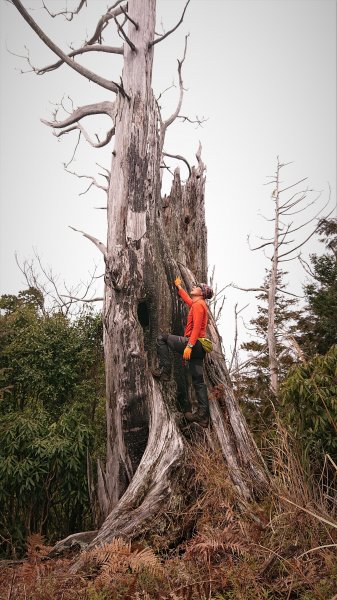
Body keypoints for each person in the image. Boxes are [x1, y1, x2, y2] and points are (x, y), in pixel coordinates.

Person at [153, 277, 213, 428]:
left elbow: (197, 326)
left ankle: (165, 371)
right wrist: (179, 287)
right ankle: (203, 417)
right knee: (199, 382)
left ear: (202, 293)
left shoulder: (199, 305)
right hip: (200, 350)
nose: (193, 286)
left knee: (162, 338)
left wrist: (189, 346)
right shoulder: (198, 304)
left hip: (194, 344)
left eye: (197, 286)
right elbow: (188, 300)